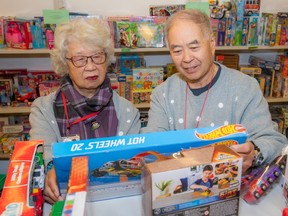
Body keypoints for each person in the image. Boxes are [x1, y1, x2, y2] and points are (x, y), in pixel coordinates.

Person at [141, 9, 287, 173]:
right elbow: (152, 145)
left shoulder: (245, 87)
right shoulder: (163, 94)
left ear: (211, 44)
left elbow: (274, 140)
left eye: (194, 47)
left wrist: (254, 153)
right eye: (177, 51)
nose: (187, 58)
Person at [29, 18, 141, 204]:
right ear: (65, 64)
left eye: (97, 56)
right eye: (80, 59)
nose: (90, 67)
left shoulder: (128, 111)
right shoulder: (43, 109)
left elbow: (132, 165)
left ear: (106, 59)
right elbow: (44, 156)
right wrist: (50, 171)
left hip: (115, 202)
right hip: (65, 204)